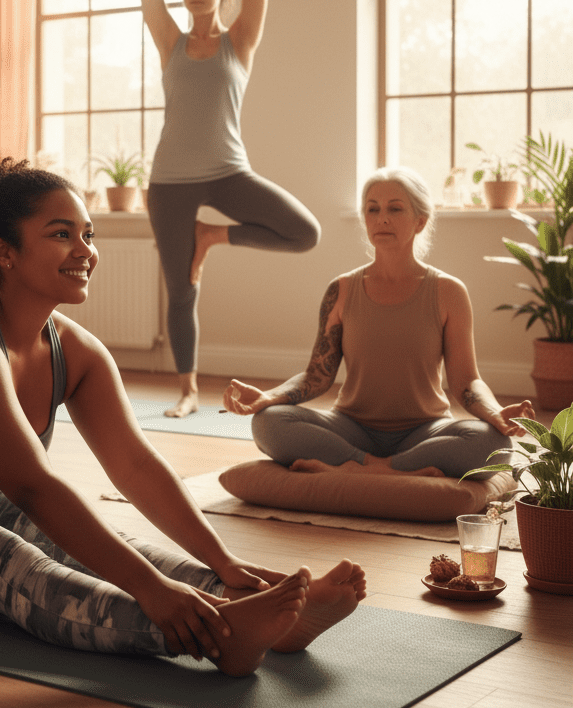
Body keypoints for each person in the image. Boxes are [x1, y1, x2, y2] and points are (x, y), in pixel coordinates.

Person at [0, 151, 365, 676]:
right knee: (0, 557)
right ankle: (215, 637)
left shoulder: (74, 352)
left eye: (89, 234)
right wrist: (152, 594)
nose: (86, 252)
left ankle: (252, 610)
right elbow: (33, 486)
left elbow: (136, 468)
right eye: (62, 234)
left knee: (104, 539)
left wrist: (223, 562)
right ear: (4, 251)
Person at [138, 0, 320, 419]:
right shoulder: (169, 41)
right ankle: (189, 389)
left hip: (226, 171)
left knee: (304, 231)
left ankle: (212, 235)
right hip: (169, 180)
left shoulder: (238, 41)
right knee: (180, 289)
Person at [224, 166, 534, 479]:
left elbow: (466, 381)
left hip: (425, 430)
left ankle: (354, 468)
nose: (381, 218)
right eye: (373, 209)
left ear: (420, 221)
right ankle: (394, 469)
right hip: (352, 428)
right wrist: (268, 397)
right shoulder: (342, 289)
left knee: (494, 443)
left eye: (395, 209)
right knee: (268, 422)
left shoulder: (448, 291)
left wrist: (496, 414)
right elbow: (317, 375)